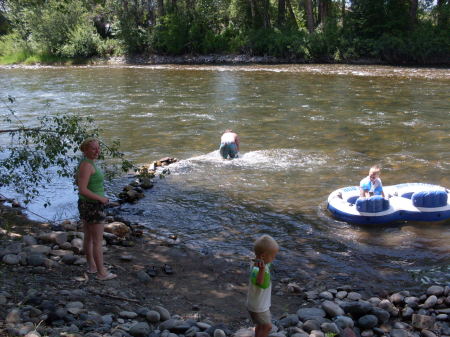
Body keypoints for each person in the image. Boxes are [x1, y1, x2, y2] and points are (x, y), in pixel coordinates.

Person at [77, 137, 117, 281]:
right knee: (97, 241)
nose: (97, 151)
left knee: (88, 237)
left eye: (98, 148)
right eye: (93, 148)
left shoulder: (86, 163)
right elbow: (82, 189)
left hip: (86, 204)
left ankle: (92, 267)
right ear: (86, 150)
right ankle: (102, 273)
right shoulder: (87, 165)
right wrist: (101, 199)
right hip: (93, 205)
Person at [247, 235, 279, 337]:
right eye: (273, 256)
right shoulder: (259, 269)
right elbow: (260, 282)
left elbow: (265, 261)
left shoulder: (255, 262)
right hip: (259, 308)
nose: (274, 258)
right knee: (267, 327)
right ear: (263, 256)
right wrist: (262, 270)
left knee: (260, 325)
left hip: (254, 304)